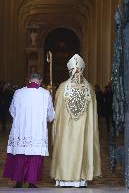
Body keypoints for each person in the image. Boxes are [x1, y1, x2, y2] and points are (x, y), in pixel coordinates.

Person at [50, 54, 101, 187]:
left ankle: (72, 178)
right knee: (78, 148)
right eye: (76, 70)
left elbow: (57, 111)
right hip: (79, 130)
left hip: (67, 130)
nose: (77, 72)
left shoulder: (63, 87)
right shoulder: (88, 88)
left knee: (67, 148)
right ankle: (76, 179)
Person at [3, 73, 55, 188]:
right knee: (34, 156)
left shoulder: (18, 93)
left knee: (20, 155)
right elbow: (50, 115)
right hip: (36, 131)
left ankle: (18, 182)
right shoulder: (45, 94)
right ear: (40, 81)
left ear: (29, 80)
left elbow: (12, 111)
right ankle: (32, 182)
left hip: (21, 131)